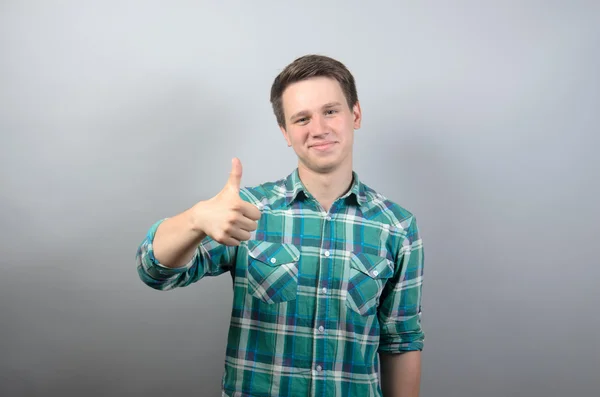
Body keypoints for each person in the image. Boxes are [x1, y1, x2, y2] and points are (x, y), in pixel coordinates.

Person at [136, 54, 425, 397]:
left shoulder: (397, 227)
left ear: (355, 115)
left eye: (330, 111)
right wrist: (196, 218)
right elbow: (154, 271)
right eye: (301, 118)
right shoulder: (246, 211)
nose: (318, 129)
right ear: (285, 132)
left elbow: (401, 341)